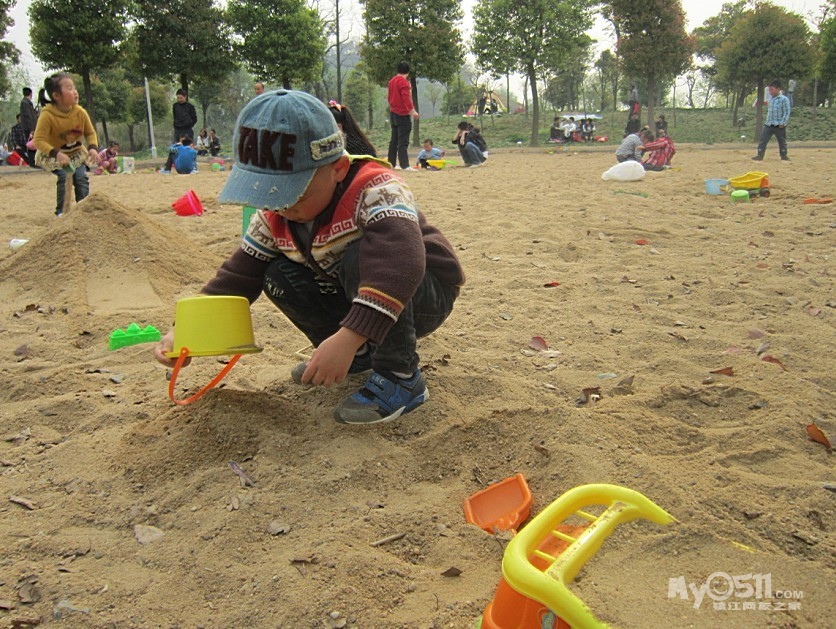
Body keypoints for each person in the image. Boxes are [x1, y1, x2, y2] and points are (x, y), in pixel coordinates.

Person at [153, 89, 465, 424]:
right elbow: (236, 278)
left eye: (294, 193)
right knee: (276, 274)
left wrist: (348, 336)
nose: (281, 206)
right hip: (356, 295)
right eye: (268, 194)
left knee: (361, 257)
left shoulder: (377, 190)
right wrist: (184, 332)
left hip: (420, 294)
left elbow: (402, 264)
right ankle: (359, 356)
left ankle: (400, 378)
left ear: (338, 168)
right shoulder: (275, 216)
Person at [32, 72, 100, 217]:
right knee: (64, 177)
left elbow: (90, 133)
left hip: (75, 154)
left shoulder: (80, 112)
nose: (75, 92)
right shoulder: (47, 115)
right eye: (69, 88)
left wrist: (93, 148)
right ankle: (61, 213)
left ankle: (83, 211)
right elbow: (39, 140)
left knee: (81, 178)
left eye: (74, 88)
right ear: (56, 96)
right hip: (54, 155)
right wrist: (57, 154)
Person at [387, 61, 419, 170]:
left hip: (393, 113)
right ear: (408, 72)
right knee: (403, 141)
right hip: (402, 115)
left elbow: (389, 97)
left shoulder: (392, 81)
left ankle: (391, 163)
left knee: (394, 140)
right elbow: (406, 98)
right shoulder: (404, 83)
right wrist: (412, 111)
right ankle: (404, 165)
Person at [753, 79, 791, 161]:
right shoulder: (771, 99)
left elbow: (787, 112)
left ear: (778, 89)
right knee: (763, 140)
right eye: (769, 90)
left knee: (782, 141)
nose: (770, 92)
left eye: (772, 89)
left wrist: (783, 122)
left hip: (779, 125)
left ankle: (784, 156)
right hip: (769, 124)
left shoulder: (784, 99)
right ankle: (760, 155)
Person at [20, 87, 39, 164]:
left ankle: (33, 161)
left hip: (30, 127)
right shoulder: (25, 103)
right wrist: (31, 129)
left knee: (33, 144)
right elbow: (28, 117)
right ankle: (32, 162)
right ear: (30, 94)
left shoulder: (26, 103)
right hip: (29, 128)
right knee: (31, 145)